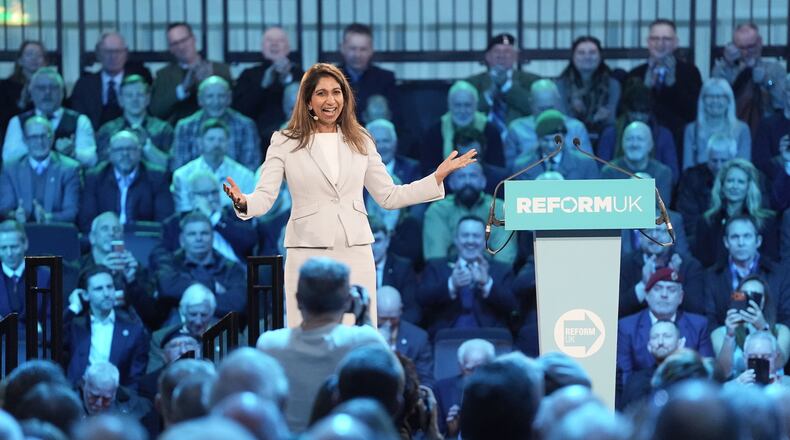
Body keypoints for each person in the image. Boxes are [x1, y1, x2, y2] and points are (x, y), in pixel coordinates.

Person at [223, 63, 476, 327]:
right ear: (308, 100)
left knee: (359, 336)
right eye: (321, 93)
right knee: (308, 333)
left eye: (337, 92)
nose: (330, 100)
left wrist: (436, 178)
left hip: (355, 247)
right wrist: (244, 202)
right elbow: (265, 197)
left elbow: (389, 196)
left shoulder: (361, 140)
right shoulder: (284, 141)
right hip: (308, 249)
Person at [255, 257, 389, 432]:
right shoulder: (364, 340)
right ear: (348, 301)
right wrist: (364, 318)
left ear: (297, 300)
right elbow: (393, 384)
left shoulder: (269, 344)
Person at [419, 216, 516, 337]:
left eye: (476, 236)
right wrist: (451, 284)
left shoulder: (502, 269)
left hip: (491, 338)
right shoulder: (435, 266)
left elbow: (514, 305)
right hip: (446, 338)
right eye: (465, 235)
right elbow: (422, 300)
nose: (470, 241)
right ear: (456, 239)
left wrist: (487, 283)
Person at [616, 267, 713, 386]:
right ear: (646, 295)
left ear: (681, 297)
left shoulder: (698, 325)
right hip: (640, 396)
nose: (664, 295)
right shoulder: (627, 327)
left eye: (671, 290)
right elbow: (626, 378)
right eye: (657, 289)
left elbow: (707, 372)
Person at [63, 265, 149, 387]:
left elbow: (135, 377)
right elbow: (50, 339)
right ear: (86, 295)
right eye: (99, 289)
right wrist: (74, 307)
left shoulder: (134, 329)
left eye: (110, 287)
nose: (106, 293)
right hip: (77, 396)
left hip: (116, 398)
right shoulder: (75, 326)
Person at [625, 18, 703, 152]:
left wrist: (672, 85)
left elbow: (695, 112)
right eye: (655, 39)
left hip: (678, 140)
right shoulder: (636, 73)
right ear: (648, 43)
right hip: (640, 139)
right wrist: (646, 87)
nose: (660, 44)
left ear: (675, 43)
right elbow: (625, 111)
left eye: (666, 39)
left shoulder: (690, 72)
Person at [155, 211, 247, 322]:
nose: (199, 238)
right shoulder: (169, 263)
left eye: (204, 233)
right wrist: (212, 286)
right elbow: (167, 288)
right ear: (182, 240)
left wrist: (190, 298)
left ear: (212, 237)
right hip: (178, 329)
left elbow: (237, 304)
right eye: (192, 234)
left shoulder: (232, 268)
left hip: (221, 330)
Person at [79, 130, 174, 232]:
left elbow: (164, 219)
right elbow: (87, 219)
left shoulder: (157, 177)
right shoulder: (95, 177)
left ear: (139, 152)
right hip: (106, 238)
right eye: (119, 149)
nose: (125, 154)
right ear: (110, 154)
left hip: (141, 237)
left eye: (130, 149)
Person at [704, 215, 790, 327]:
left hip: (771, 338)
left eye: (747, 236)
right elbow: (710, 319)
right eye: (735, 237)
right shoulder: (712, 276)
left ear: (758, 241)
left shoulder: (780, 273)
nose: (741, 243)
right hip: (726, 339)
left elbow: (787, 318)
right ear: (726, 242)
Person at [157, 171, 257, 266]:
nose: (211, 198)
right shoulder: (175, 224)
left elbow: (250, 242)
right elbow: (160, 256)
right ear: (192, 197)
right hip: (192, 275)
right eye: (204, 194)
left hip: (237, 273)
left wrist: (215, 218)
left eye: (214, 192)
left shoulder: (235, 215)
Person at [3, 67, 97, 167]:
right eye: (41, 88)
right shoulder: (17, 121)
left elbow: (91, 159)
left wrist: (73, 153)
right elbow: (9, 158)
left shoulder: (80, 120)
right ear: (31, 92)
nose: (47, 92)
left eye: (54, 87)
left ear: (62, 92)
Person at [422, 163, 516, 264]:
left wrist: (490, 278)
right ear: (451, 183)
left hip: (492, 274)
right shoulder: (438, 210)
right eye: (461, 177)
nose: (467, 182)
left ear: (483, 182)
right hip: (449, 274)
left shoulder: (500, 208)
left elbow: (505, 257)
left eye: (473, 176)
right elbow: (436, 258)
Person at [693, 159, 779, 267]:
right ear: (722, 185)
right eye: (730, 181)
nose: (734, 186)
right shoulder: (707, 221)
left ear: (749, 187)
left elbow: (771, 261)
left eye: (741, 182)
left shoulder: (766, 221)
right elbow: (702, 263)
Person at [0, 116, 81, 224]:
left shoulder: (70, 168)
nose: (40, 142)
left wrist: (47, 218)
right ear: (25, 140)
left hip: (56, 232)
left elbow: (71, 212)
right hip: (21, 232)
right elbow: (5, 208)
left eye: (44, 136)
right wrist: (15, 215)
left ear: (52, 138)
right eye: (34, 137)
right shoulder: (11, 169)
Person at [171, 76, 261, 172]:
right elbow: (179, 168)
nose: (216, 102)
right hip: (195, 184)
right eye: (210, 96)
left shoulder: (246, 126)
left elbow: (251, 167)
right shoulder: (184, 127)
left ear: (229, 98)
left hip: (235, 184)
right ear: (200, 99)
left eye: (221, 96)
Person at [711, 274, 790, 381]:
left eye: (755, 296)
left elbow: (779, 363)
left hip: (773, 388)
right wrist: (729, 335)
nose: (749, 300)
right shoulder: (720, 333)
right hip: (738, 390)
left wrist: (763, 327)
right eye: (744, 295)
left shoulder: (781, 330)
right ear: (737, 297)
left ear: (763, 301)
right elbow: (724, 372)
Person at [150, 22, 232, 124]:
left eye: (184, 40)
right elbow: (156, 110)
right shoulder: (163, 75)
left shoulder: (220, 69)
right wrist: (181, 90)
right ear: (170, 48)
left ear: (193, 39)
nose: (181, 47)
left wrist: (209, 80)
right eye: (175, 43)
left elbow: (232, 104)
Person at [596, 79, 679, 180]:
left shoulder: (663, 135)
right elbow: (601, 173)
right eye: (634, 111)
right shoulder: (611, 134)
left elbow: (673, 176)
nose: (639, 117)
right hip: (616, 191)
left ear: (650, 111)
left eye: (643, 112)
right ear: (626, 110)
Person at [69, 31, 153, 130]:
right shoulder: (84, 86)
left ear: (126, 53)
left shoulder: (140, 82)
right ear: (98, 54)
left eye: (118, 51)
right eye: (108, 52)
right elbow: (77, 119)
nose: (113, 56)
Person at [712, 23, 786, 135]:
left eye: (751, 46)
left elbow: (781, 101)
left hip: (765, 132)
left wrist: (767, 80)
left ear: (759, 42)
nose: (746, 52)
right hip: (730, 131)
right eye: (741, 47)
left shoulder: (774, 69)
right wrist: (727, 64)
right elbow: (714, 96)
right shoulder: (724, 69)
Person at [618, 222, 705, 318]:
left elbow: (696, 310)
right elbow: (618, 310)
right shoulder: (625, 264)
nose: (654, 236)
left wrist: (676, 280)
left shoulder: (689, 266)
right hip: (635, 329)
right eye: (648, 230)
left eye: (660, 231)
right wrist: (643, 285)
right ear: (640, 236)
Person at [233, 26, 303, 143]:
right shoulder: (248, 75)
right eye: (269, 40)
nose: (274, 44)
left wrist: (287, 80)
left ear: (288, 48)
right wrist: (263, 86)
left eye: (280, 41)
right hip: (258, 139)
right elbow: (240, 111)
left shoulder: (301, 75)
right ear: (262, 47)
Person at [171, 118, 256, 213]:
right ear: (200, 142)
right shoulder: (182, 175)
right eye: (211, 139)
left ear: (228, 142)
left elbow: (247, 213)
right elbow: (184, 212)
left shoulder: (245, 176)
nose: (216, 144)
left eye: (221, 140)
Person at [419, 80, 505, 171]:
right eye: (457, 105)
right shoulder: (434, 133)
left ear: (475, 106)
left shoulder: (491, 131)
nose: (462, 111)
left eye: (467, 105)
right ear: (449, 106)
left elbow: (498, 170)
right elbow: (428, 171)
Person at [466, 33, 540, 136]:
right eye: (497, 51)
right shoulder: (472, 83)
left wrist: (508, 87)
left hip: (520, 139)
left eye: (507, 51)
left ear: (515, 56)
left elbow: (535, 109)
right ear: (487, 56)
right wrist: (489, 94)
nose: (502, 55)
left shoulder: (531, 81)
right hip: (482, 138)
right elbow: (465, 112)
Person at [506, 79, 593, 164]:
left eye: (551, 108)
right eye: (542, 109)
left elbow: (587, 166)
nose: (547, 114)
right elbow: (510, 171)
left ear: (559, 102)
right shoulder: (517, 129)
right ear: (531, 103)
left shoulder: (576, 128)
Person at [95, 74, 173, 168]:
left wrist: (147, 146)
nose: (134, 99)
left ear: (148, 98)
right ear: (120, 100)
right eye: (129, 95)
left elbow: (170, 167)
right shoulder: (107, 130)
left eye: (140, 95)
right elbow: (100, 168)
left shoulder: (163, 129)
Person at [555, 35, 621, 142]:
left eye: (592, 52)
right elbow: (564, 119)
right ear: (573, 56)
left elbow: (610, 120)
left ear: (600, 56)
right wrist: (594, 119)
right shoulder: (560, 85)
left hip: (603, 139)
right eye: (581, 53)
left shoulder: (613, 85)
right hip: (571, 138)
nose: (587, 57)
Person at [676, 133, 738, 242]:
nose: (719, 166)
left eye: (723, 161)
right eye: (714, 160)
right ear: (707, 157)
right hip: (701, 239)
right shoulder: (692, 178)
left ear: (733, 158)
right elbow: (688, 217)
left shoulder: (743, 179)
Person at [600, 121, 675, 206]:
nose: (634, 144)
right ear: (622, 143)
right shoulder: (609, 171)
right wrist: (630, 190)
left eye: (640, 139)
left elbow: (662, 210)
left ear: (650, 145)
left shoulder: (663, 173)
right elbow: (606, 209)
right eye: (629, 139)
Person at [683, 78, 751, 170]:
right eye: (710, 97)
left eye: (720, 97)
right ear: (702, 100)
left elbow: (744, 168)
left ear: (728, 101)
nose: (715, 101)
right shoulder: (692, 130)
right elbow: (687, 169)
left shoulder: (742, 129)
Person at [512, 109, 598, 180]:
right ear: (538, 139)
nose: (550, 146)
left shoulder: (585, 164)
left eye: (556, 140)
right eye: (545, 141)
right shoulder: (522, 167)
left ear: (564, 137)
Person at [433, 338, 494, 437]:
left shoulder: (507, 392)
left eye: (482, 369)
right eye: (470, 369)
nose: (476, 376)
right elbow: (433, 435)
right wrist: (452, 433)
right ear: (461, 366)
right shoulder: (442, 389)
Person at [338, 23, 398, 121]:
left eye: (363, 49)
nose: (357, 55)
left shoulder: (385, 79)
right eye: (353, 49)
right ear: (343, 48)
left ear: (371, 50)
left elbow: (396, 118)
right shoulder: (330, 79)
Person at [377, 285, 433, 387]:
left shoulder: (418, 338)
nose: (388, 324)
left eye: (393, 318)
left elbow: (426, 380)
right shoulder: (363, 335)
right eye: (383, 318)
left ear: (400, 310)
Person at [620, 320, 683, 409]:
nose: (660, 342)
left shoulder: (691, 378)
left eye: (667, 336)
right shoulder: (636, 380)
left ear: (680, 344)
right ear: (649, 346)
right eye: (655, 337)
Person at [370, 217, 420, 323]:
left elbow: (412, 310)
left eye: (377, 241)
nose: (372, 248)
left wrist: (393, 328)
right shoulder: (351, 268)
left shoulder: (402, 268)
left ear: (387, 241)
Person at [0, 40, 46, 147]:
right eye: (29, 54)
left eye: (39, 55)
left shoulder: (52, 85)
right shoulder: (5, 86)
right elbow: (3, 120)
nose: (34, 58)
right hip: (14, 138)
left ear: (44, 61)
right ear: (20, 60)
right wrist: (21, 103)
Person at [752, 72, 790, 176]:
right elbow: (760, 163)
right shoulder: (767, 125)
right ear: (785, 93)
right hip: (775, 188)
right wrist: (781, 159)